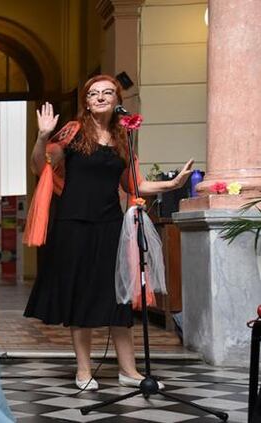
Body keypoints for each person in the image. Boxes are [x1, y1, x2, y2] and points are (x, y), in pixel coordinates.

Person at [23, 75, 193, 391]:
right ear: (86, 101)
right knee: (80, 296)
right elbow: (40, 166)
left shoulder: (122, 138)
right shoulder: (72, 133)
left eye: (107, 92)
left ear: (117, 99)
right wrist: (42, 136)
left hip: (111, 226)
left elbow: (133, 184)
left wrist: (171, 185)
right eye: (94, 93)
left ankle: (128, 370)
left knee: (119, 298)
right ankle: (84, 370)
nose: (100, 97)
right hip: (73, 225)